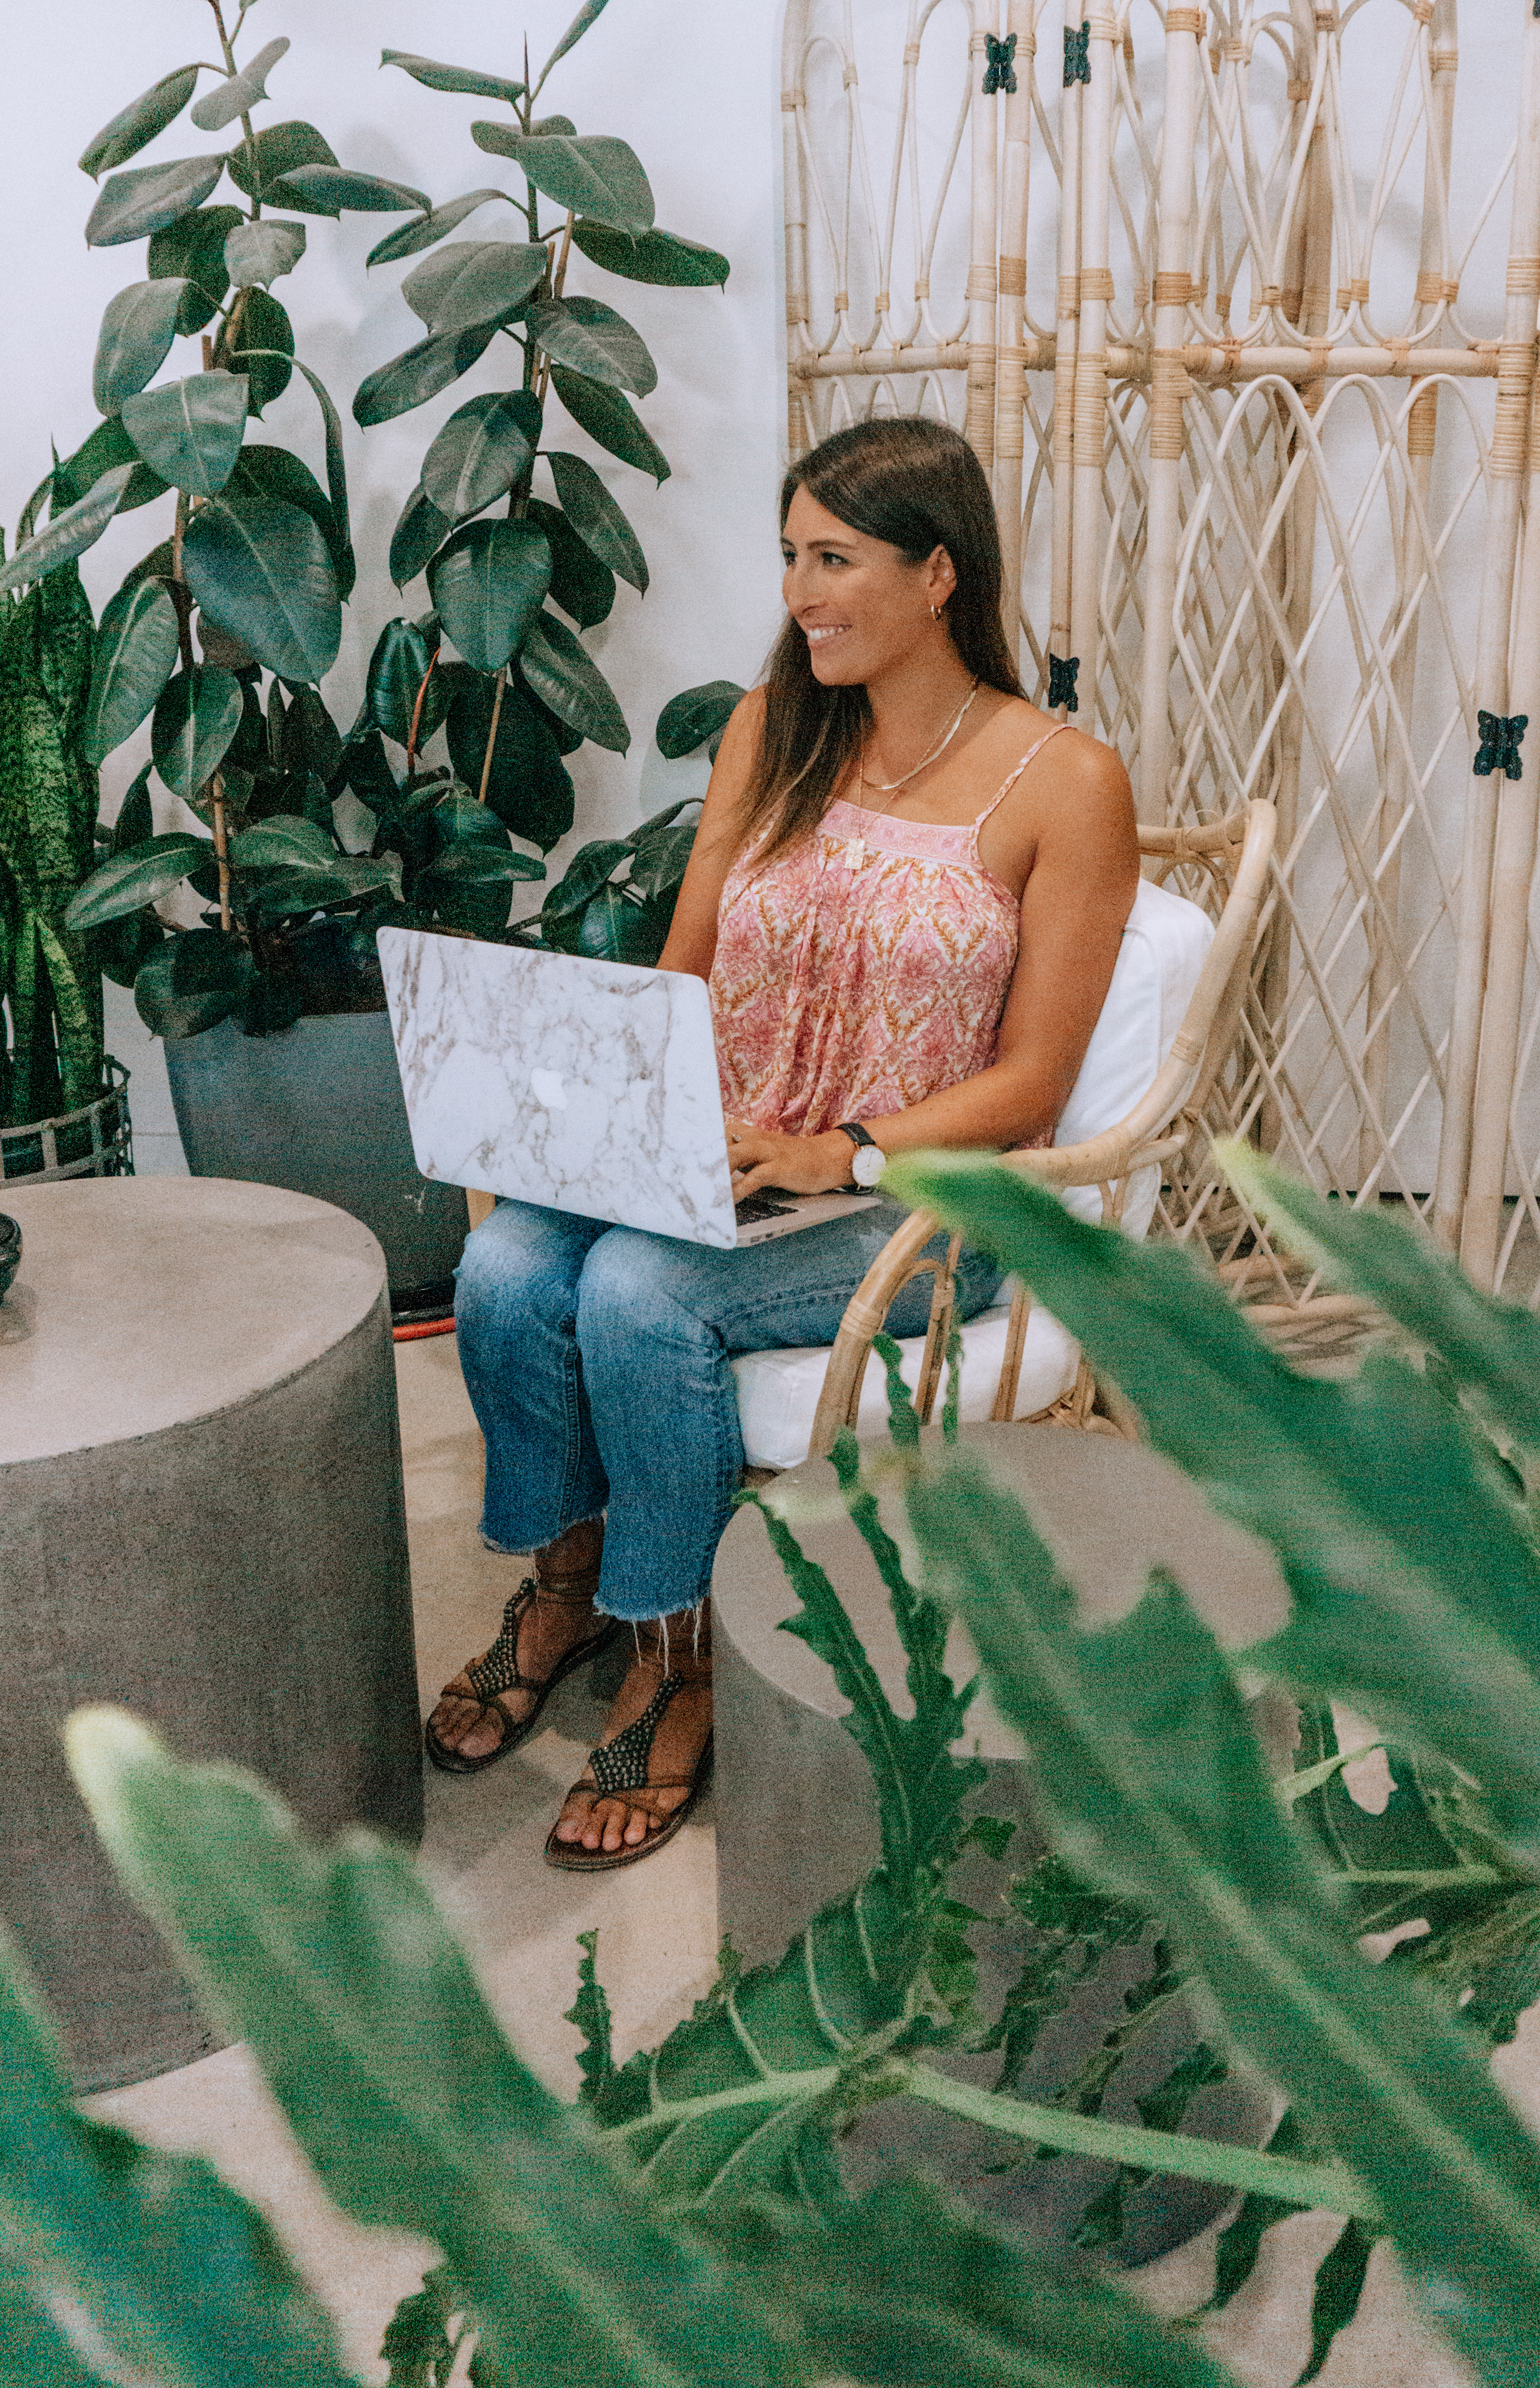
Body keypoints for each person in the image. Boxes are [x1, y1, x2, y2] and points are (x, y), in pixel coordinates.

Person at [428, 415, 1140, 1869]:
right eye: (788, 559)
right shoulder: (775, 726)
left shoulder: (1062, 779)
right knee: (506, 1260)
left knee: (639, 1292)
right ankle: (564, 1584)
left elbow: (1038, 1082)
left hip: (923, 1190)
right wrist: (597, 1102)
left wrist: (851, 1147)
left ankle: (673, 1654)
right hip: (728, 1144)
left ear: (941, 573)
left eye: (835, 560)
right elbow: (686, 962)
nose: (800, 594)